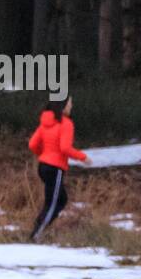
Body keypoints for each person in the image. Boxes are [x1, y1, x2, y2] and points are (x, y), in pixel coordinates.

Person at [27, 96, 88, 241]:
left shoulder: (45, 122)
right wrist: (83, 157)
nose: (71, 106)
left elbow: (32, 144)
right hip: (55, 168)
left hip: (43, 167)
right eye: (69, 103)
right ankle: (35, 235)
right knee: (53, 203)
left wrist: (44, 155)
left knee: (61, 199)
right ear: (63, 106)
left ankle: (39, 227)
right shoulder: (66, 123)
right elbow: (65, 148)